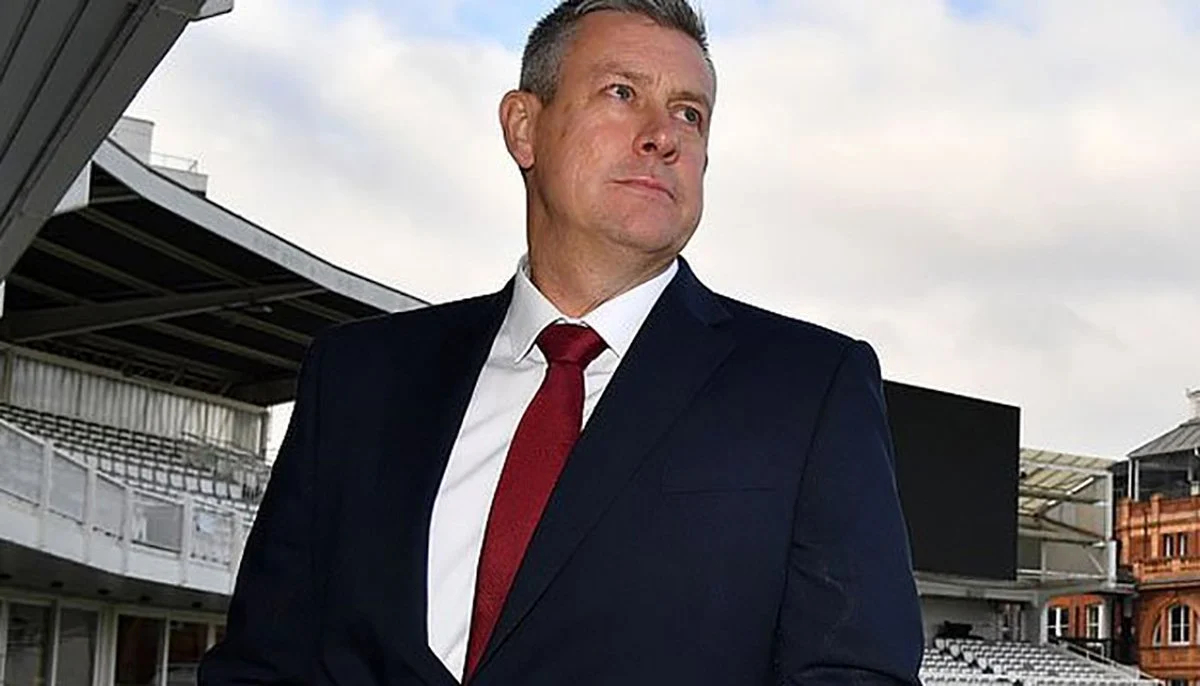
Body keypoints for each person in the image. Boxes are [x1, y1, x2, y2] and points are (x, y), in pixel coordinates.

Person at [198, 1, 924, 684]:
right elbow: (265, 661)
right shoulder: (357, 376)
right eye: (620, 93)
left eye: (690, 113)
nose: (663, 134)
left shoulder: (809, 387)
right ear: (523, 127)